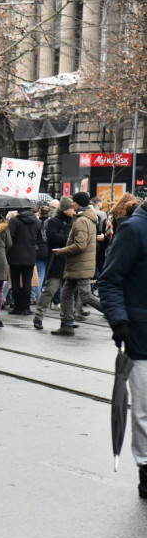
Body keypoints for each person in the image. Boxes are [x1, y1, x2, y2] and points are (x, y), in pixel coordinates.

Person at [98, 199, 147, 497]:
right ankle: (146, 467)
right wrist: (119, 321)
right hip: (141, 333)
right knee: (144, 408)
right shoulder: (135, 229)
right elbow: (110, 280)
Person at [51, 193, 103, 336]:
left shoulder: (81, 221)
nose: (71, 204)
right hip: (80, 264)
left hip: (80, 264)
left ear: (78, 203)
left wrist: (62, 251)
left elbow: (80, 245)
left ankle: (114, 312)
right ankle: (67, 324)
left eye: (73, 202)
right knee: (67, 293)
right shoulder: (88, 218)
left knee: (85, 295)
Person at [33, 198, 75, 330]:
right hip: (56, 259)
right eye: (72, 208)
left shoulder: (73, 221)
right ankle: (38, 317)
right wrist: (69, 239)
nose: (74, 211)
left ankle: (67, 319)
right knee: (50, 289)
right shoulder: (54, 221)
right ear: (65, 209)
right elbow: (51, 237)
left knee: (68, 293)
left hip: (69, 260)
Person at [6, 204, 40, 315]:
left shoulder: (14, 220)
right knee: (27, 282)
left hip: (15, 254)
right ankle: (26, 307)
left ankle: (17, 307)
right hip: (30, 254)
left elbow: (10, 237)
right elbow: (39, 237)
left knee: (15, 283)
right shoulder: (36, 221)